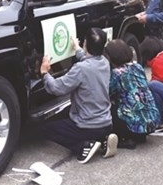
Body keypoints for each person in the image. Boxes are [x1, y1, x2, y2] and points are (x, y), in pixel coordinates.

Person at [39, 27, 118, 164]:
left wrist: (45, 72)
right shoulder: (104, 62)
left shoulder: (80, 69)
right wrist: (77, 49)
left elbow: (57, 88)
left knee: (46, 130)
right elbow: (88, 60)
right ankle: (103, 140)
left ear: (86, 43)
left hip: (87, 125)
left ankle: (84, 146)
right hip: (106, 122)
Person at [104, 39, 161, 149]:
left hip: (132, 125)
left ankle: (125, 138)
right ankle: (140, 136)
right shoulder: (137, 66)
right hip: (152, 121)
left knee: (110, 107)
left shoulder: (117, 74)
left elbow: (108, 92)